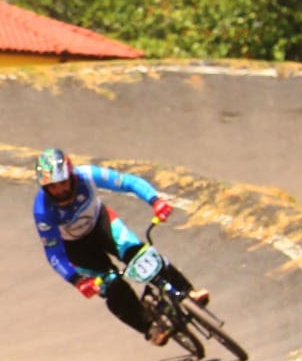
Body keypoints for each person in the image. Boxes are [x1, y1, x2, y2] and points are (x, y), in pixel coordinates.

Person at [33, 147, 208, 345]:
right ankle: (149, 327)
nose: (60, 190)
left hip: (102, 224)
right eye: (52, 187)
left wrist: (155, 201)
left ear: (72, 175)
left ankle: (188, 293)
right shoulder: (43, 212)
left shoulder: (88, 175)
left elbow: (127, 182)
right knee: (112, 286)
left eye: (63, 182)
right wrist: (77, 281)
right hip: (77, 248)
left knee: (141, 255)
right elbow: (54, 253)